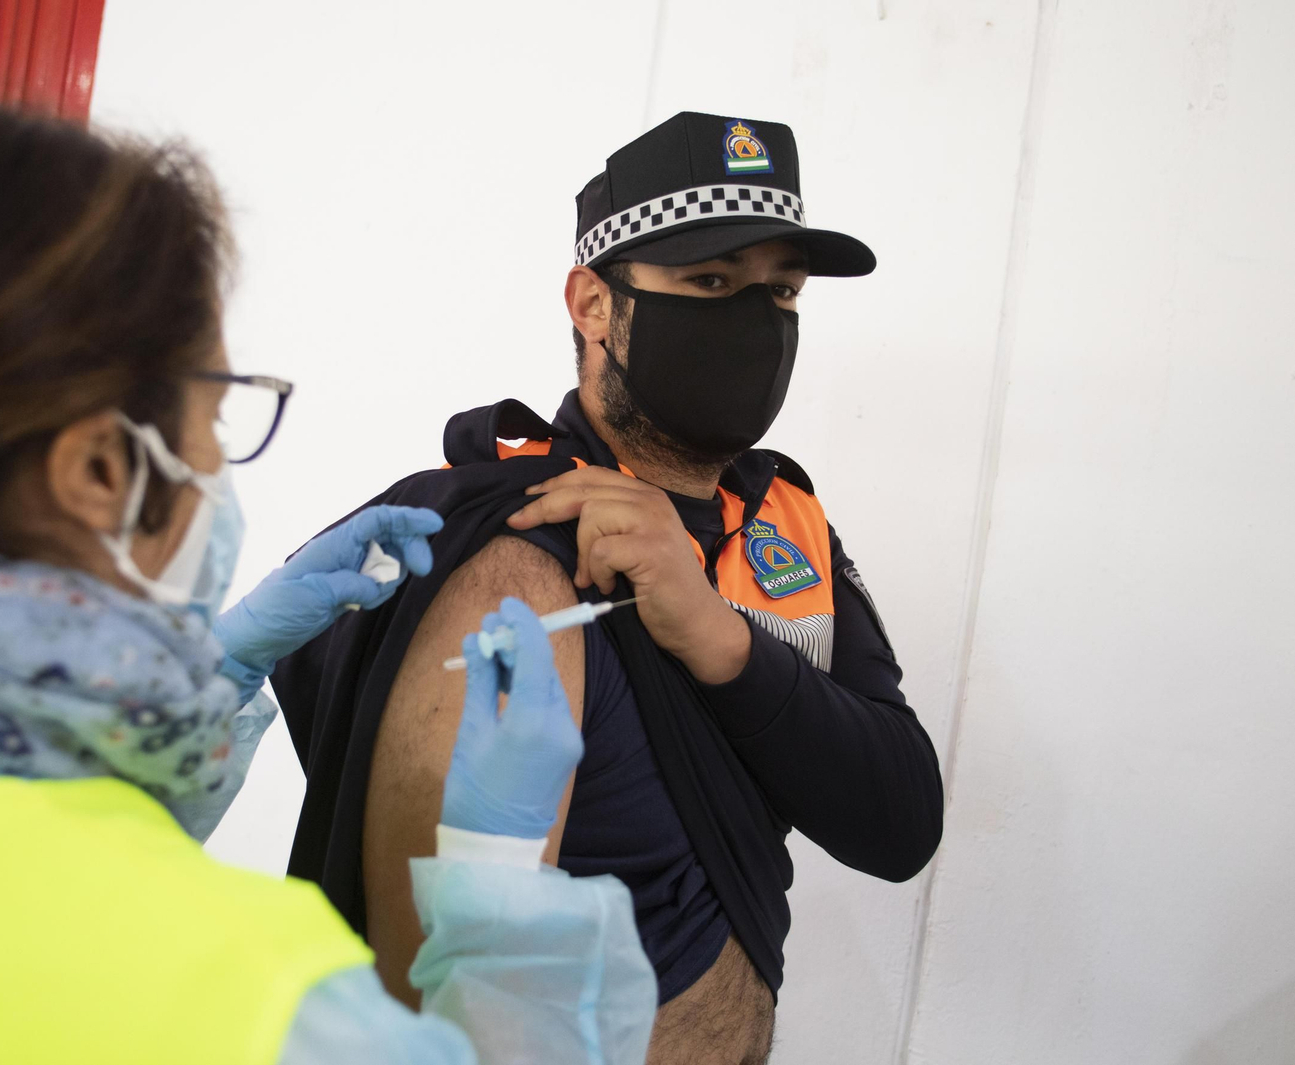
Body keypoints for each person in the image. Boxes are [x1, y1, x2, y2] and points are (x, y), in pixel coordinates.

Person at [0, 101, 655, 1064]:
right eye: (221, 403)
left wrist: (212, 675)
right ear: (103, 470)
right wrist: (499, 901)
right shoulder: (259, 1004)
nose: (220, 462)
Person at [272, 112, 946, 1063]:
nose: (755, 322)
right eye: (710, 282)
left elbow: (900, 821)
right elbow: (426, 988)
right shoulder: (514, 541)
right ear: (593, 303)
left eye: (781, 291)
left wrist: (721, 642)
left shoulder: (786, 524)